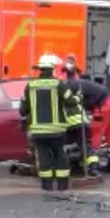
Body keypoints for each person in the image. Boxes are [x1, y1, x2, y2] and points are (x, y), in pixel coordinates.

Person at [20, 54, 79, 191]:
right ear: (52, 69)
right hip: (57, 131)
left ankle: (47, 188)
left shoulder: (30, 86)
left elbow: (23, 110)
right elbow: (71, 102)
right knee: (60, 155)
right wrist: (78, 97)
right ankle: (62, 187)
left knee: (43, 157)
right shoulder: (59, 85)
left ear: (40, 69)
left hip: (39, 132)